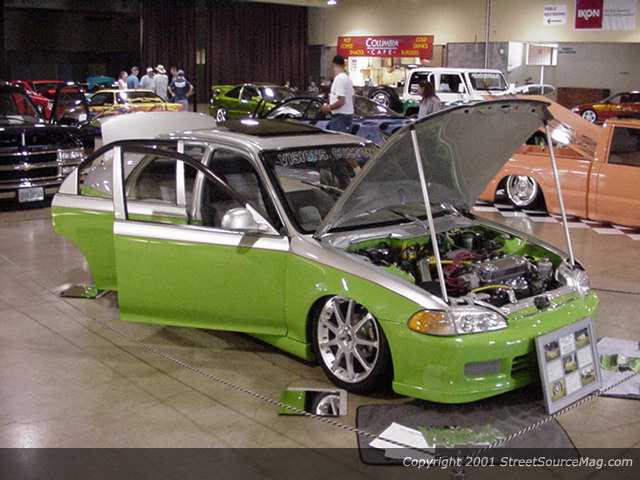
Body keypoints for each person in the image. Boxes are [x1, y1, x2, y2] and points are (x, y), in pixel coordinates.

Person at [321, 55, 354, 133]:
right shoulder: (347, 78)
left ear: (334, 64)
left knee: (337, 139)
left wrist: (329, 107)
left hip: (340, 117)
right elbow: (353, 97)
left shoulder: (339, 79)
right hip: (347, 115)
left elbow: (341, 101)